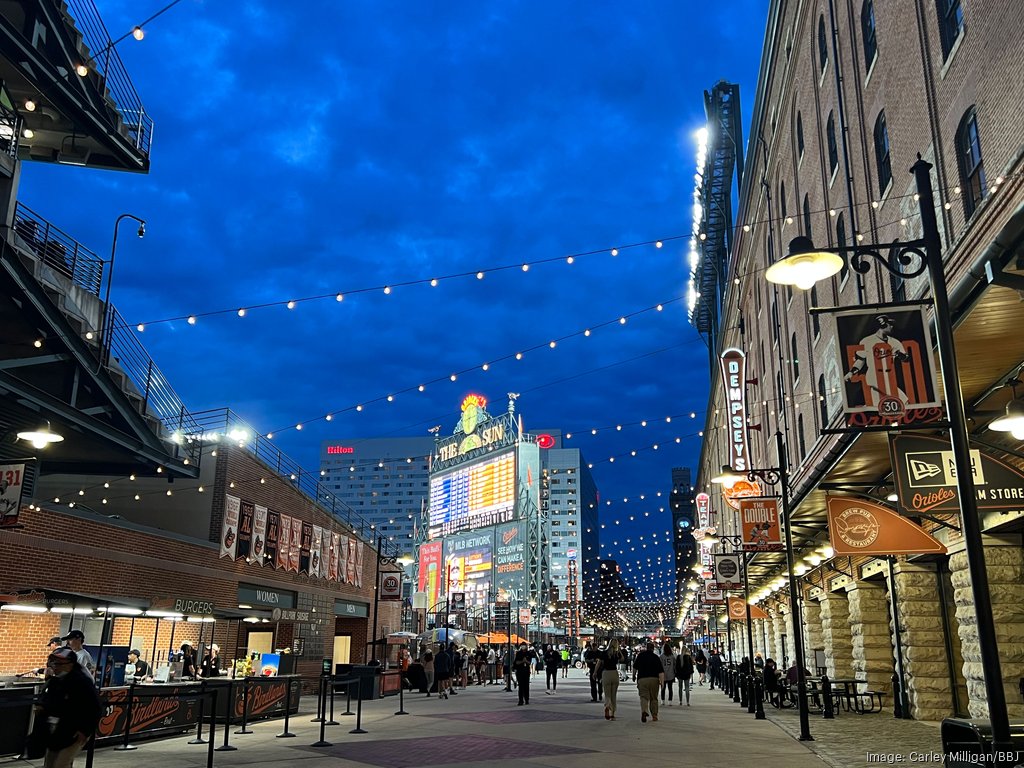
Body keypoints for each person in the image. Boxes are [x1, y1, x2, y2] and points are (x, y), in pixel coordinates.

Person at [37, 647, 102, 767]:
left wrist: (84, 730)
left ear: (70, 664)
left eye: (59, 664)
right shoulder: (55, 680)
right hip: (58, 729)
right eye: (53, 663)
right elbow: (48, 701)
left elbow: (94, 707)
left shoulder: (81, 682)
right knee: (50, 763)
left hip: (75, 730)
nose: (55, 667)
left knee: (61, 764)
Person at [844, 313, 910, 410]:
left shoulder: (895, 342)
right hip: (875, 377)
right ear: (882, 325)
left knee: (878, 407)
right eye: (889, 324)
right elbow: (861, 360)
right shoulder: (867, 341)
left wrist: (899, 354)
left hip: (889, 377)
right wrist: (851, 372)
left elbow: (906, 359)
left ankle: (864, 410)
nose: (892, 326)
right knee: (903, 401)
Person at [632, 641, 664, 723]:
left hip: (642, 679)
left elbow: (635, 667)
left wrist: (633, 675)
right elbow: (661, 671)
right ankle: (654, 715)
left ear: (646, 648)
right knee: (654, 698)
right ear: (653, 649)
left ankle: (644, 711)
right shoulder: (656, 657)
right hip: (654, 679)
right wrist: (662, 682)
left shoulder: (640, 656)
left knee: (643, 697)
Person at [597, 638, 623, 720]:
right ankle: (613, 715)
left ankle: (607, 706)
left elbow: (599, 663)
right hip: (614, 674)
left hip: (606, 673)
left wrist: (595, 672)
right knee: (613, 695)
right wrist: (619, 651)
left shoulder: (604, 653)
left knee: (607, 694)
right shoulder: (616, 653)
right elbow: (622, 659)